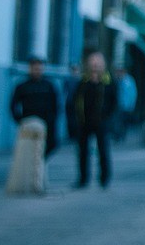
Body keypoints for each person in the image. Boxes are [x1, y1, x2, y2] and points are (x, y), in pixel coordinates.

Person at [69, 51, 115, 190]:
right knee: (83, 151)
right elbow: (74, 101)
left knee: (103, 150)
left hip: (101, 121)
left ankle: (104, 178)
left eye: (98, 62)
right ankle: (83, 178)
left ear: (103, 64)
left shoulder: (108, 83)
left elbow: (114, 102)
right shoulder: (83, 83)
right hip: (84, 122)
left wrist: (108, 117)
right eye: (92, 62)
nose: (95, 65)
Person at [11, 58, 62, 145]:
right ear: (30, 69)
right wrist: (20, 120)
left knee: (50, 144)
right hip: (29, 121)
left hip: (46, 123)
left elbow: (56, 104)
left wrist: (52, 120)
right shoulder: (23, 86)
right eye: (35, 69)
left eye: (39, 69)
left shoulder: (48, 86)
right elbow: (13, 104)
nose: (37, 71)